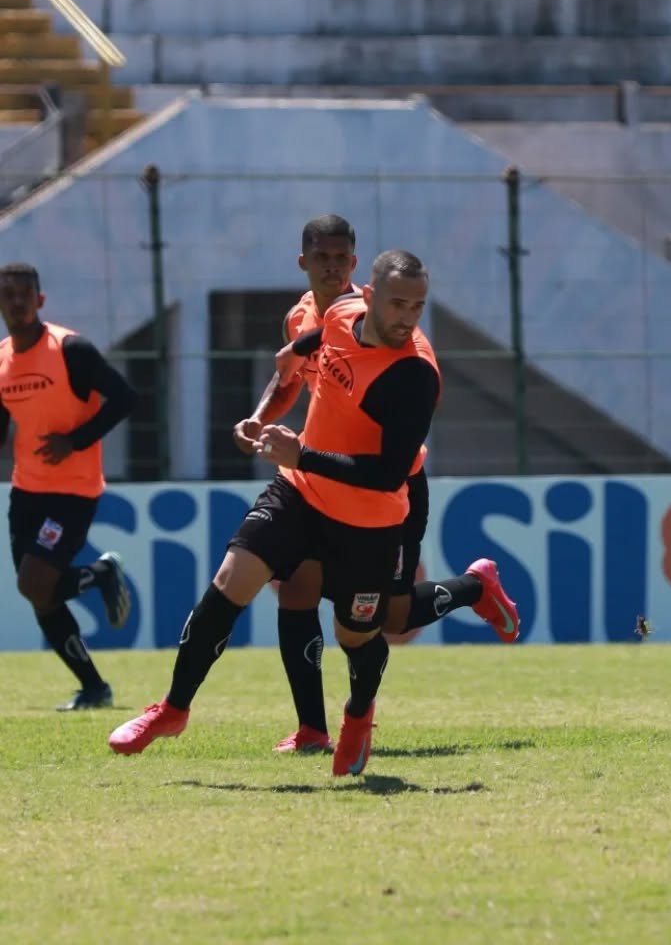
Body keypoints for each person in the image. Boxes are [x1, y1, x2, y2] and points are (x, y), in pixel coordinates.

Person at [110, 249, 503, 777]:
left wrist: (302, 454)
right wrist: (293, 352)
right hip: (300, 492)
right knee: (232, 579)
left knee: (368, 631)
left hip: (370, 519)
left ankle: (360, 714)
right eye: (397, 304)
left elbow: (389, 474)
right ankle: (173, 709)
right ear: (369, 295)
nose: (407, 317)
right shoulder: (343, 313)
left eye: (418, 307)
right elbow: (325, 335)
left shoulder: (414, 375)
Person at [231, 216, 517, 757]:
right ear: (305, 264)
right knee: (296, 590)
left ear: (358, 271)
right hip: (314, 482)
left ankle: (476, 587)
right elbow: (290, 373)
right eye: (322, 258)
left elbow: (390, 458)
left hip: (385, 489)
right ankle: (312, 728)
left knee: (393, 618)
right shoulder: (303, 317)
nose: (332, 267)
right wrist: (257, 418)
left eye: (342, 258)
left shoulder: (387, 331)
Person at [1, 262, 136, 709]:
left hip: (72, 491)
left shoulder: (70, 349)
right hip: (25, 492)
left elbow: (124, 398)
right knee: (40, 596)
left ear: (40, 300)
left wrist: (73, 441)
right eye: (8, 294)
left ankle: (102, 574)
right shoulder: (2, 360)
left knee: (35, 582)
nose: (16, 301)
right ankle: (94, 688)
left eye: (25, 293)